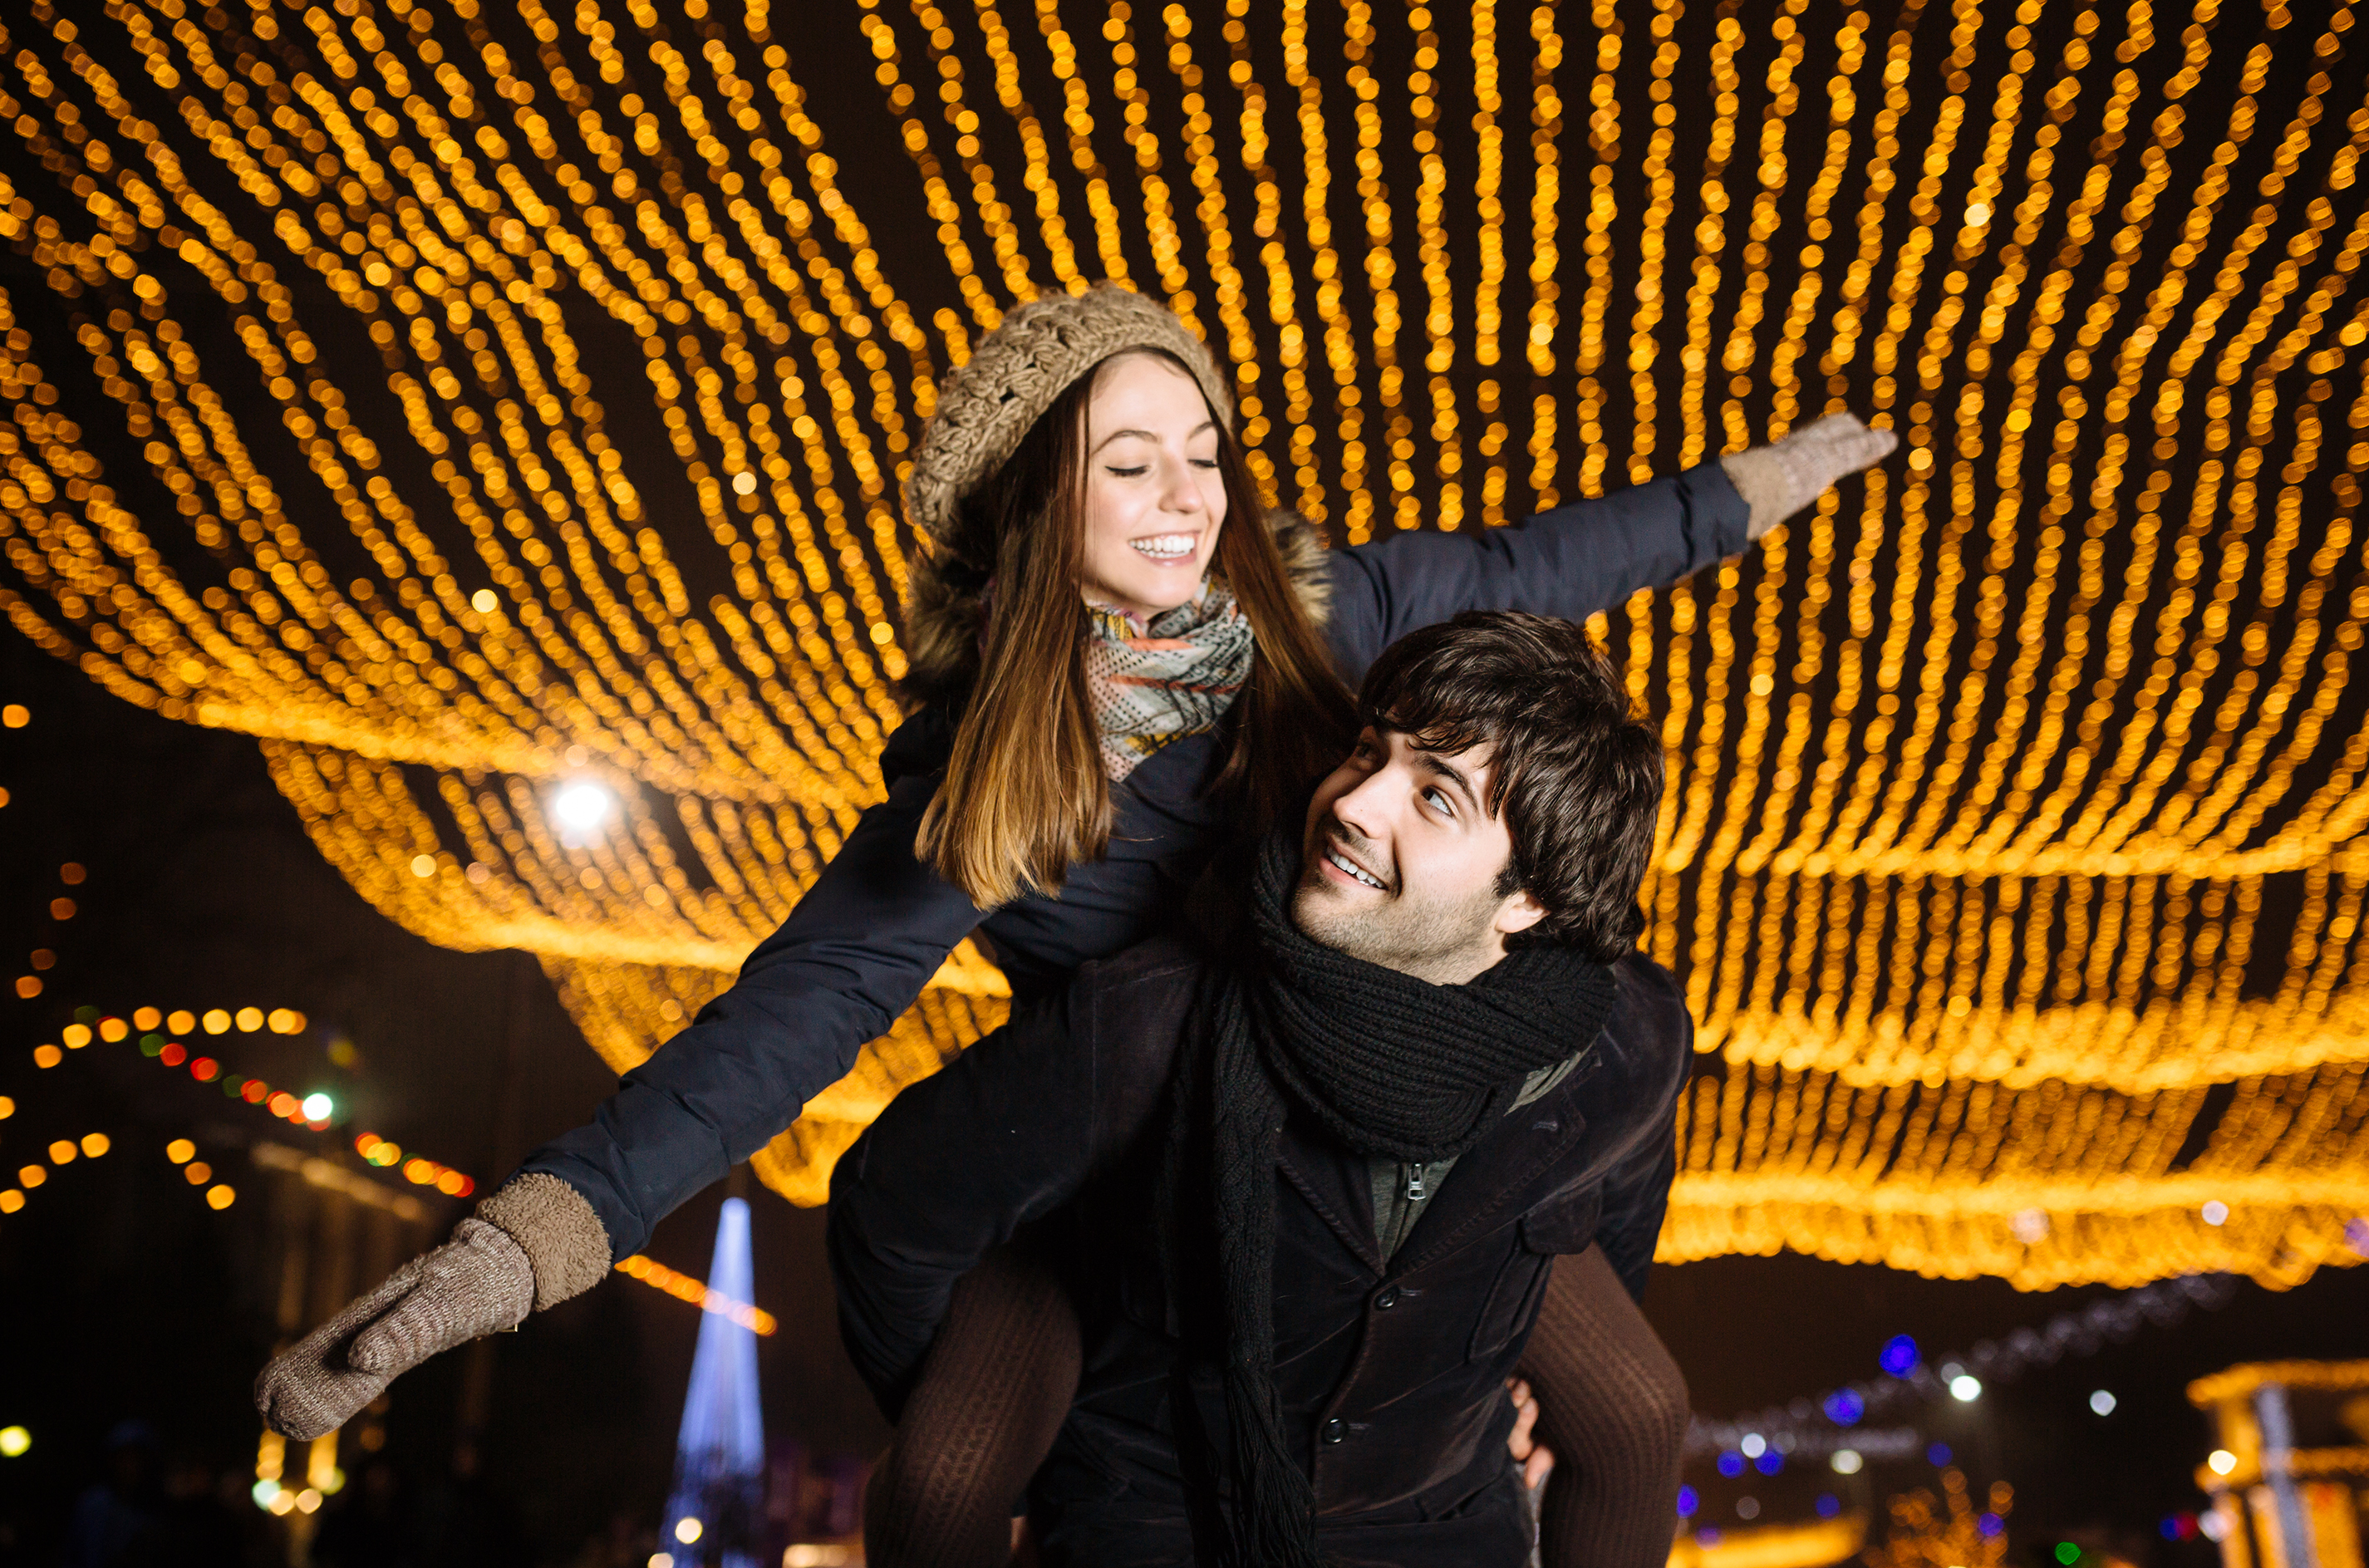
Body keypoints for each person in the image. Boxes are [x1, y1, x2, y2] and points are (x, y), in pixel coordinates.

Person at [255, 285, 1890, 1546]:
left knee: (1631, 1400)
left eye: (1203, 451)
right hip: (1121, 1156)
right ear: (1043, 505)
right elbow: (775, 1034)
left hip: (1378, 1107)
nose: (1186, 498)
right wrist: (499, 1257)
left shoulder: (1328, 606)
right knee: (951, 1481)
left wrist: (1756, 486)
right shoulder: (997, 783)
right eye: (1129, 463)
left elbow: (1553, 558)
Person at [830, 612, 1692, 1566]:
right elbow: (893, 1212)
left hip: (1434, 1507)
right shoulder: (1147, 1023)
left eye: (1437, 798)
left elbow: (1613, 1216)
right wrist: (1005, 1433)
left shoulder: (1628, 1042)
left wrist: (1512, 1368)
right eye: (1372, 750)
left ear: (1531, 902)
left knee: (1642, 1409)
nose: (1359, 801)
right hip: (1161, 1504)